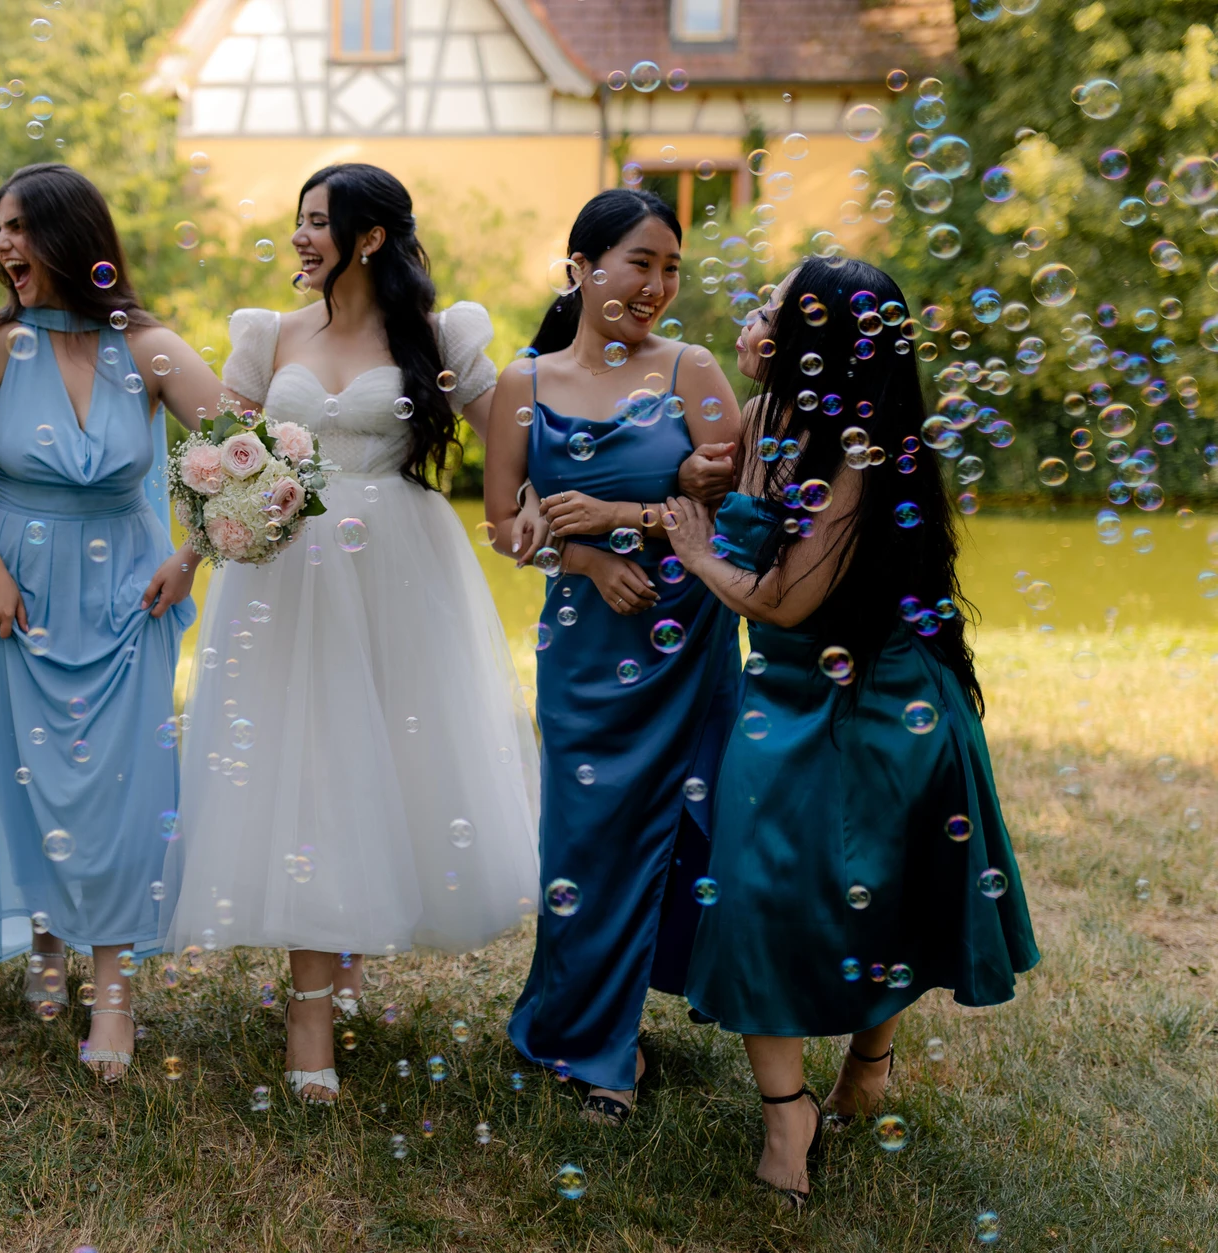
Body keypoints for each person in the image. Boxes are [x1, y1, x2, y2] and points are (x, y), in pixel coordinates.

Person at [162, 163, 540, 1105]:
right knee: (307, 766)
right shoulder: (270, 335)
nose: (299, 236)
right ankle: (309, 1019)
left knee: (387, 757)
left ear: (369, 237)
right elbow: (228, 465)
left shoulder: (439, 337)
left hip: (399, 567)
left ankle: (352, 945)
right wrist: (190, 555)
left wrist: (549, 506)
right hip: (285, 576)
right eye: (297, 220)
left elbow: (510, 438)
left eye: (317, 221)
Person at [665, 256, 1040, 1206]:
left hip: (878, 698)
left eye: (770, 310)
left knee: (891, 885)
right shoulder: (765, 417)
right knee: (754, 892)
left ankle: (869, 1063)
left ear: (814, 341)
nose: (750, 322)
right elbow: (727, 503)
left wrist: (698, 553)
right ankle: (785, 1114)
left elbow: (783, 600)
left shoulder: (861, 454)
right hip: (783, 692)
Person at [0, 164, 216, 1082]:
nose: (4, 244)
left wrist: (191, 553)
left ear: (74, 238)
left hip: (126, 597)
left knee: (120, 790)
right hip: (16, 592)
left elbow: (251, 457)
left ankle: (112, 989)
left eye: (23, 227)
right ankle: (44, 937)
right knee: (26, 774)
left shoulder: (150, 347)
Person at [481, 188, 741, 1125]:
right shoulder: (525, 383)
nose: (658, 285)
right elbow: (505, 524)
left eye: (671, 268)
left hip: (687, 639)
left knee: (691, 828)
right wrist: (586, 558)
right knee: (584, 839)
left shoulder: (691, 368)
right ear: (582, 269)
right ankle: (577, 1022)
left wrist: (625, 515)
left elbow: (746, 512)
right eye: (641, 262)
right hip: (587, 645)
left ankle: (617, 1047)